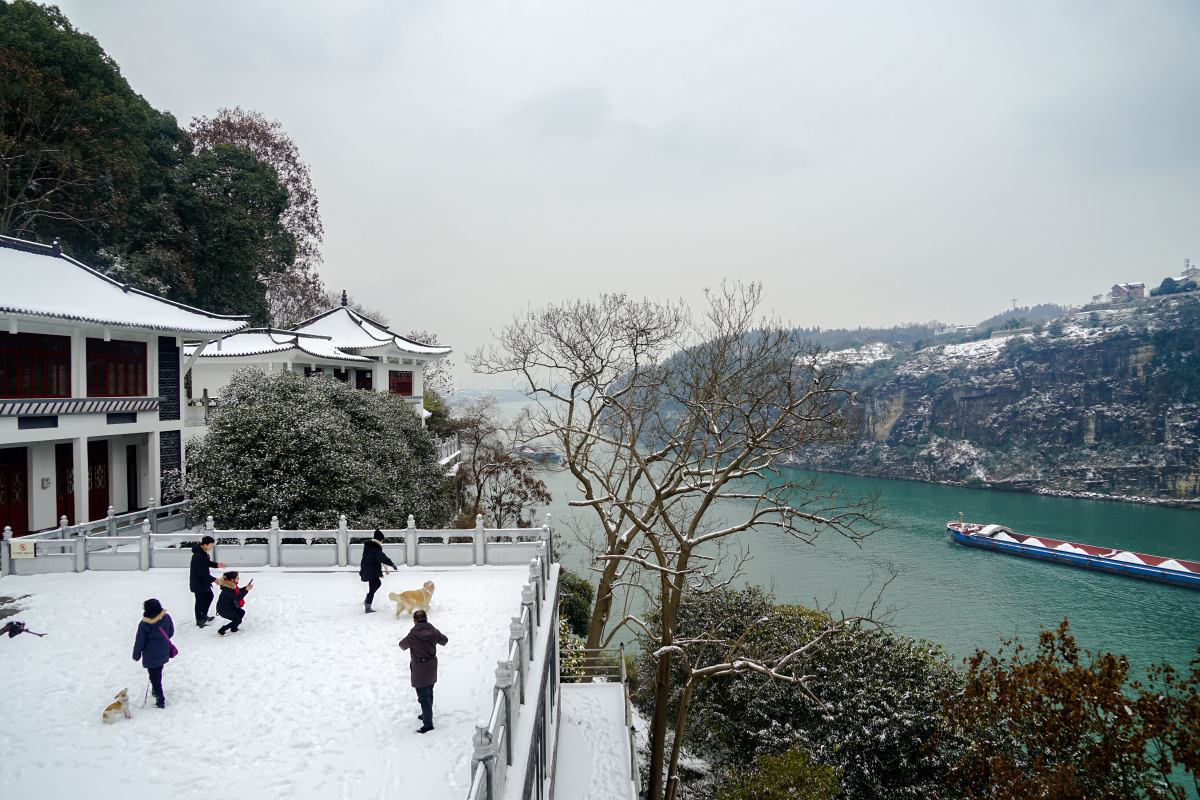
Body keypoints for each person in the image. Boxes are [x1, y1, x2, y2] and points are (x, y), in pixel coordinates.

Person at [399, 609, 448, 733]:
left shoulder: (413, 635)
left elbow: (402, 645)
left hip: (419, 668)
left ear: (414, 622)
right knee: (429, 691)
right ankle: (426, 714)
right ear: (426, 619)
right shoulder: (434, 632)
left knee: (423, 697)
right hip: (431, 666)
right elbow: (444, 641)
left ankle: (428, 724)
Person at [132, 598, 175, 709]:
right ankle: (156, 691)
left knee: (153, 675)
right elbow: (171, 632)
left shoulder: (144, 624)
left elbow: (139, 641)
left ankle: (160, 699)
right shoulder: (166, 618)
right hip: (164, 651)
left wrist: (136, 655)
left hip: (150, 654)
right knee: (158, 671)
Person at [190, 535, 226, 628]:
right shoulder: (197, 556)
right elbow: (201, 572)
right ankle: (199, 619)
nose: (211, 547)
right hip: (198, 582)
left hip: (204, 581)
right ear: (204, 545)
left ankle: (204, 615)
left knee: (209, 596)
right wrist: (214, 579)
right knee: (200, 600)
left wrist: (217, 565)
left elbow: (207, 563)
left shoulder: (203, 553)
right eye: (210, 545)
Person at [359, 529, 397, 614]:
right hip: (372, 571)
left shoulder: (369, 546)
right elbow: (382, 557)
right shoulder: (375, 547)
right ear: (380, 539)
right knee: (372, 588)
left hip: (369, 569)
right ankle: (368, 606)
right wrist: (391, 564)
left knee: (378, 583)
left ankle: (367, 599)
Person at [215, 571, 253, 636]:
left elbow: (238, 592)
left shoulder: (231, 586)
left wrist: (245, 588)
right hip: (224, 610)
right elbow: (237, 598)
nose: (238, 579)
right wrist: (246, 590)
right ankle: (221, 630)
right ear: (232, 579)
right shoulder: (228, 589)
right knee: (238, 620)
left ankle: (234, 628)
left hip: (229, 607)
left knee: (241, 612)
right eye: (237, 578)